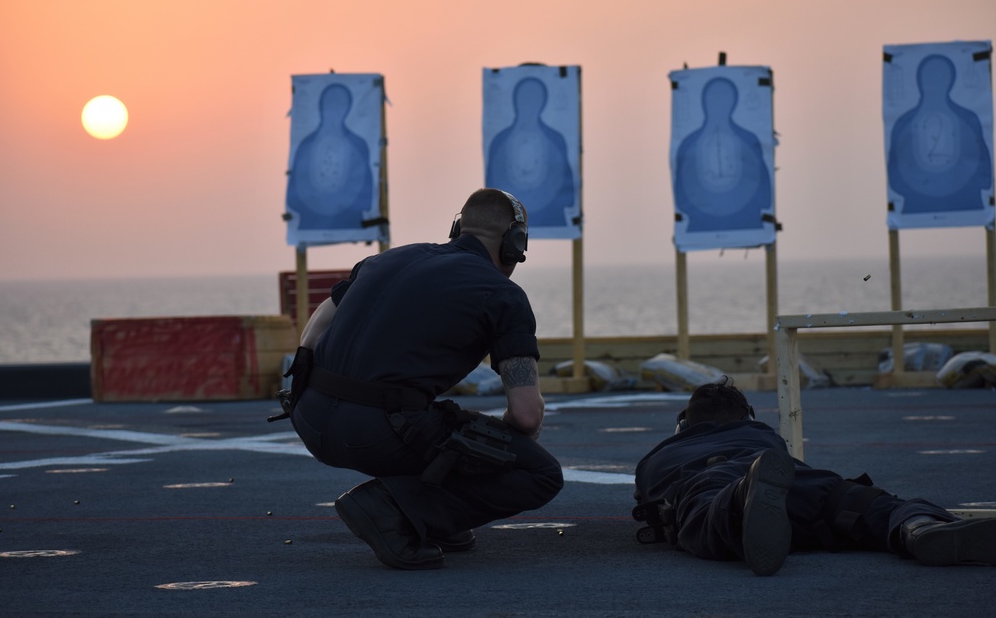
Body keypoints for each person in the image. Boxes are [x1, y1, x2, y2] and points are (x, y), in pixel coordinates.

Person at [282, 188, 563, 570]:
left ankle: (433, 521)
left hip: (308, 415)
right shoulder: (503, 295)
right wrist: (494, 451)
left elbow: (314, 333)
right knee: (539, 472)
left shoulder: (386, 260)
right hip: (379, 432)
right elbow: (527, 416)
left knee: (432, 417)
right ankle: (389, 509)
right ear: (515, 243)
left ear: (457, 227)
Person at [633, 377, 996, 576]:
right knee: (871, 506)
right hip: (797, 478)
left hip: (714, 481)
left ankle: (742, 501)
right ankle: (920, 528)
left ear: (683, 424)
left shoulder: (660, 456)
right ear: (748, 417)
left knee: (709, 517)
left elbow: (652, 504)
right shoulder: (765, 436)